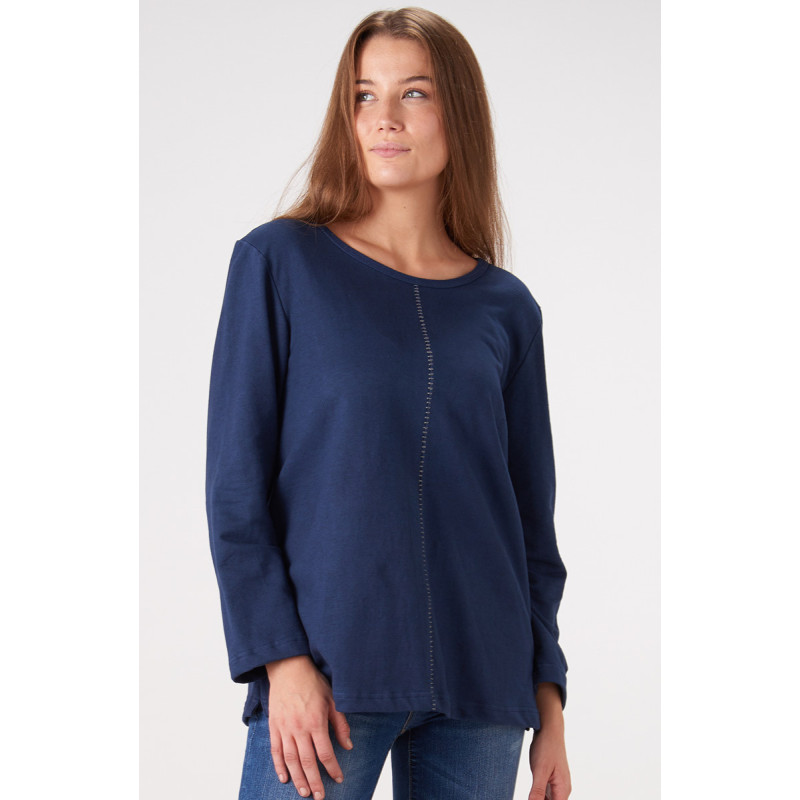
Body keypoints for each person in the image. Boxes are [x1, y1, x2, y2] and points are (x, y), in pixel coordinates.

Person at [206, 7, 572, 800]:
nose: (384, 118)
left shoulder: (507, 308)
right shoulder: (279, 263)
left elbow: (529, 524)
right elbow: (236, 492)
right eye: (364, 95)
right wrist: (281, 662)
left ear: (458, 114)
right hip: (331, 674)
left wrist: (548, 699)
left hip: (484, 685)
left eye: (414, 93)